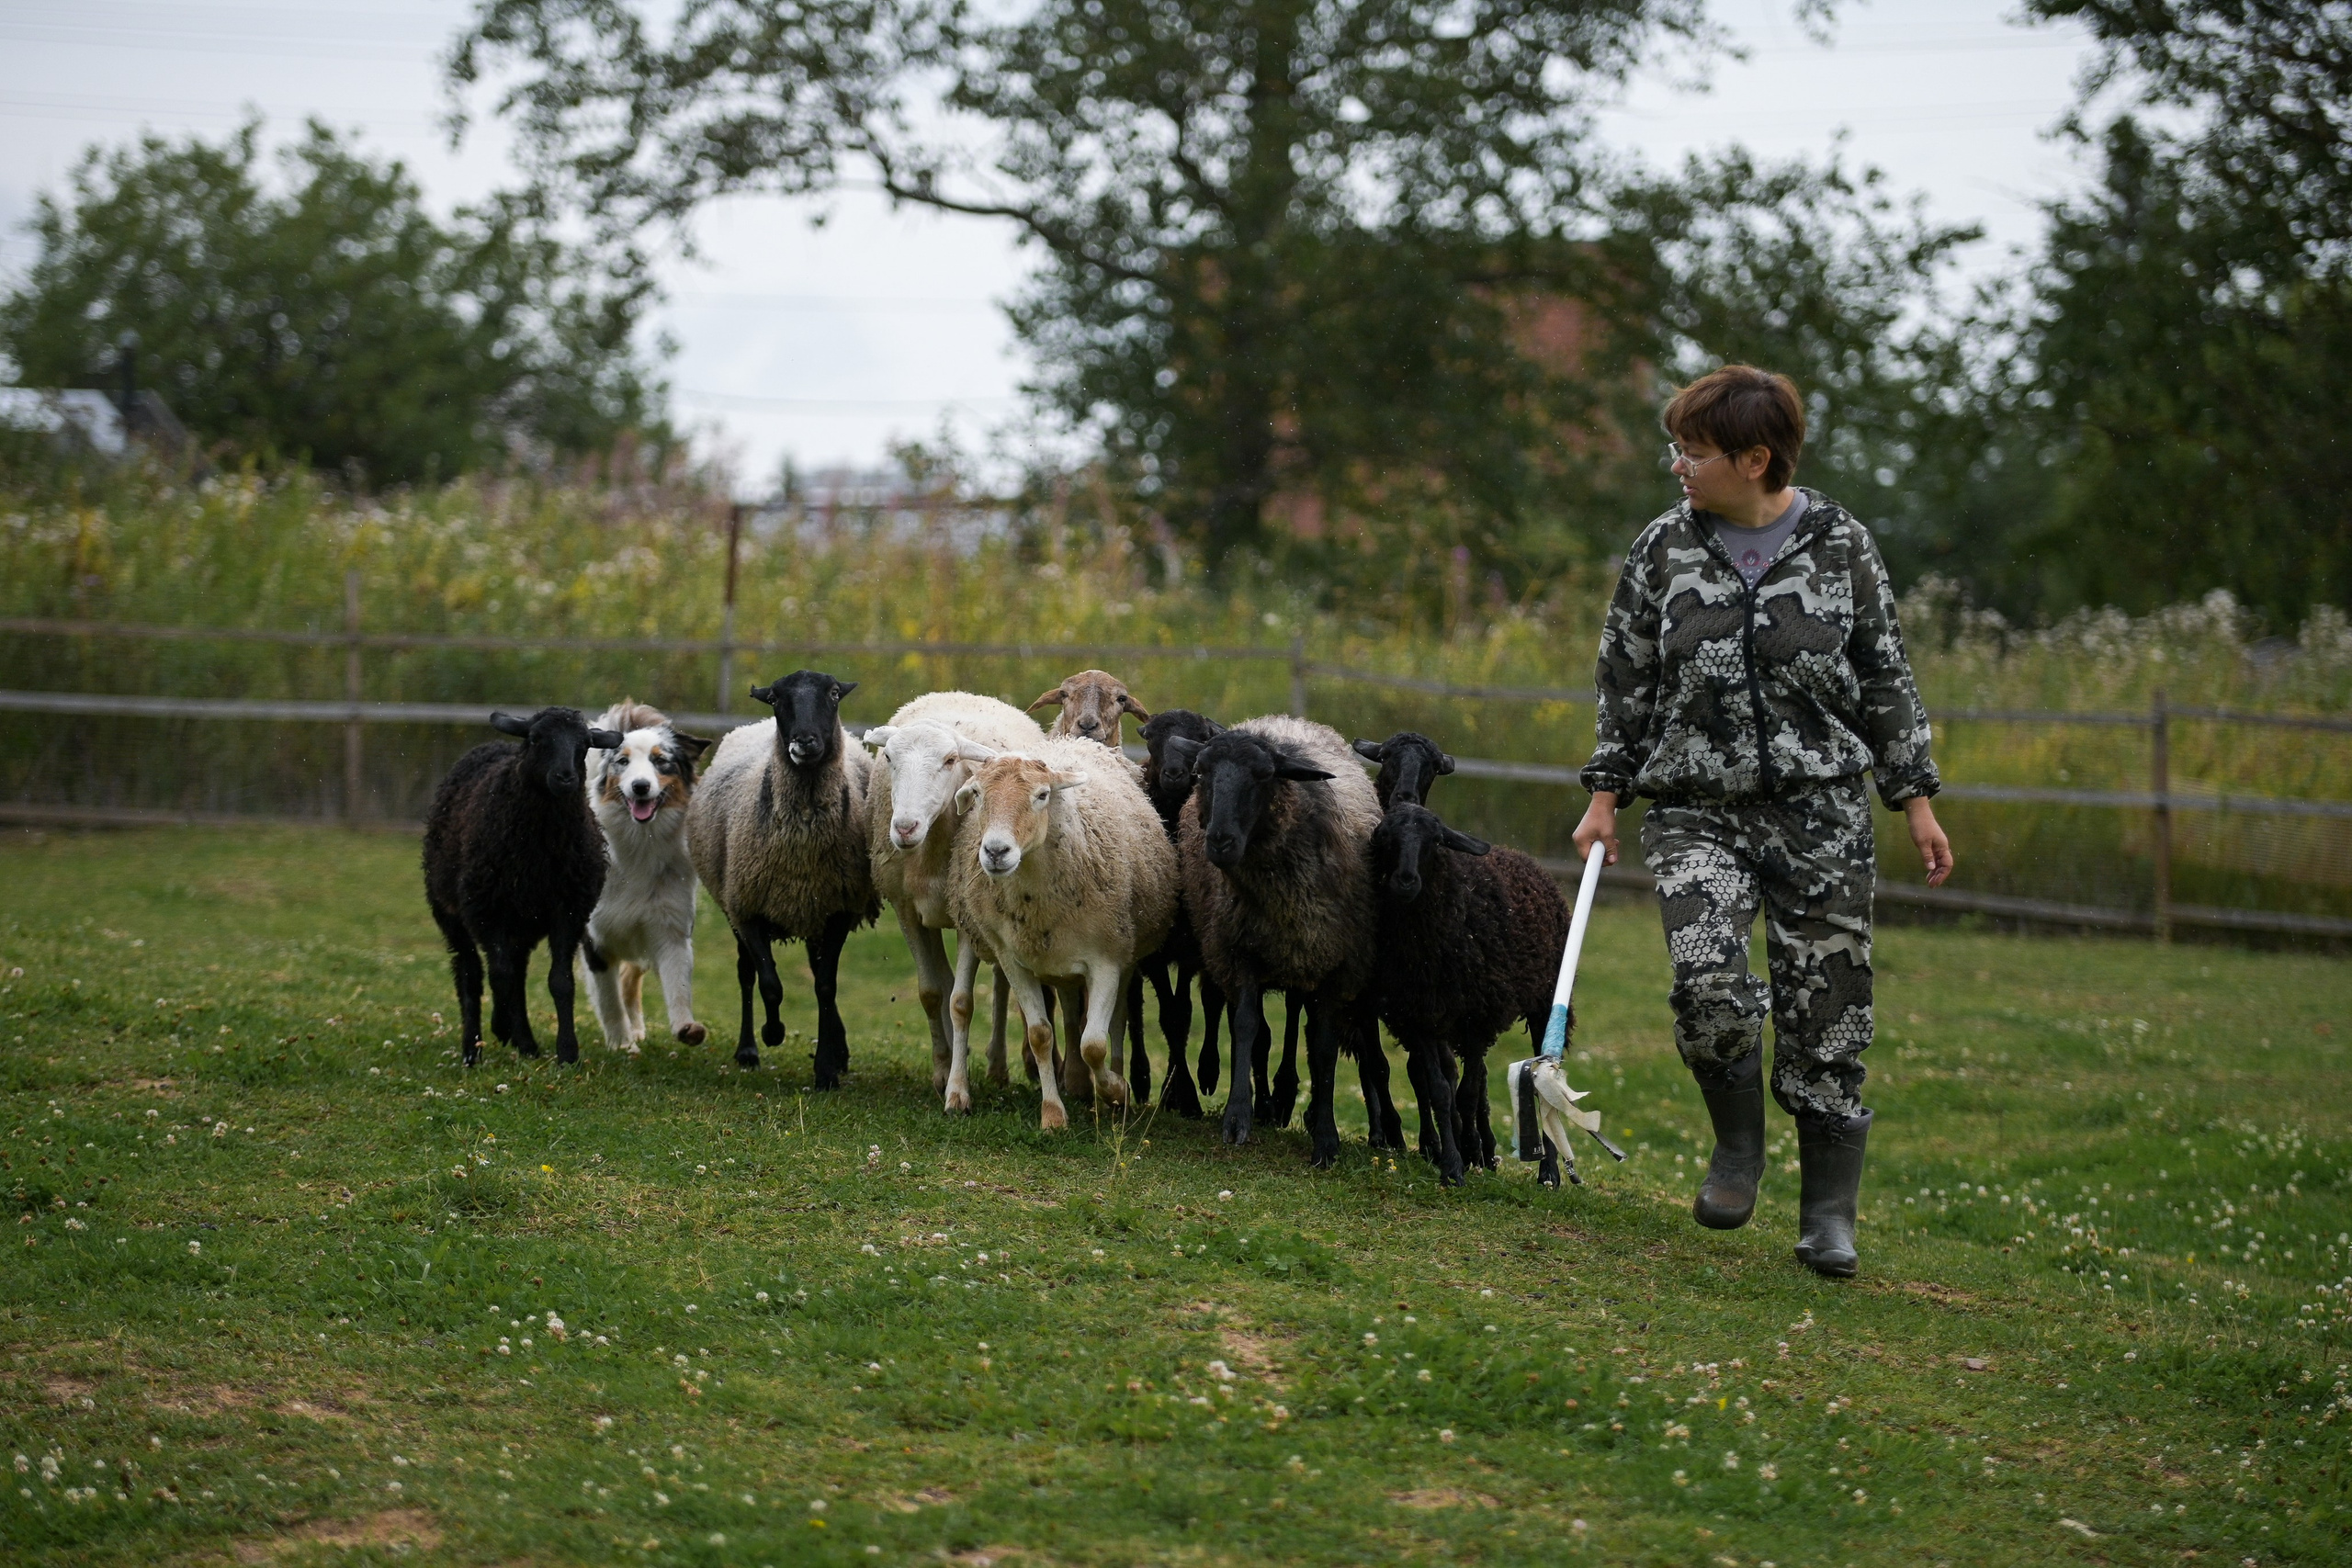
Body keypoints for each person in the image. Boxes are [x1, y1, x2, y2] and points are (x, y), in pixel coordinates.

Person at [1571, 365, 1953, 1279]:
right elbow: (1625, 677)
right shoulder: (1663, 546)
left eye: (1694, 452)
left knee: (1829, 1018)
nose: (1678, 465)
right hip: (1695, 811)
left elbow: (1885, 674)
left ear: (1754, 459)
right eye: (1676, 448)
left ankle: (1827, 1216)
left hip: (1822, 815)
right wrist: (1603, 794)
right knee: (1708, 987)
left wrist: (1915, 798)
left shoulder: (1840, 543)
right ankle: (1737, 1150)